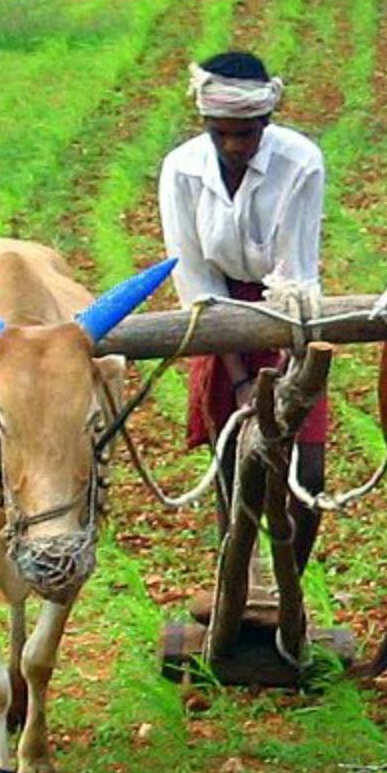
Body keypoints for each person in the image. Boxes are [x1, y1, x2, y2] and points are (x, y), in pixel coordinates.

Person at [158, 50, 328, 572]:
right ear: (206, 124)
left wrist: (285, 380)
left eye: (246, 133)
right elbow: (195, 279)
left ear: (266, 121)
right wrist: (236, 379)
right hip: (218, 315)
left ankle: (288, 587)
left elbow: (294, 273)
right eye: (222, 133)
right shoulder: (182, 170)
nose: (233, 146)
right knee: (234, 457)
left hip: (287, 314)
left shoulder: (300, 162)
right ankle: (238, 578)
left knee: (308, 470)